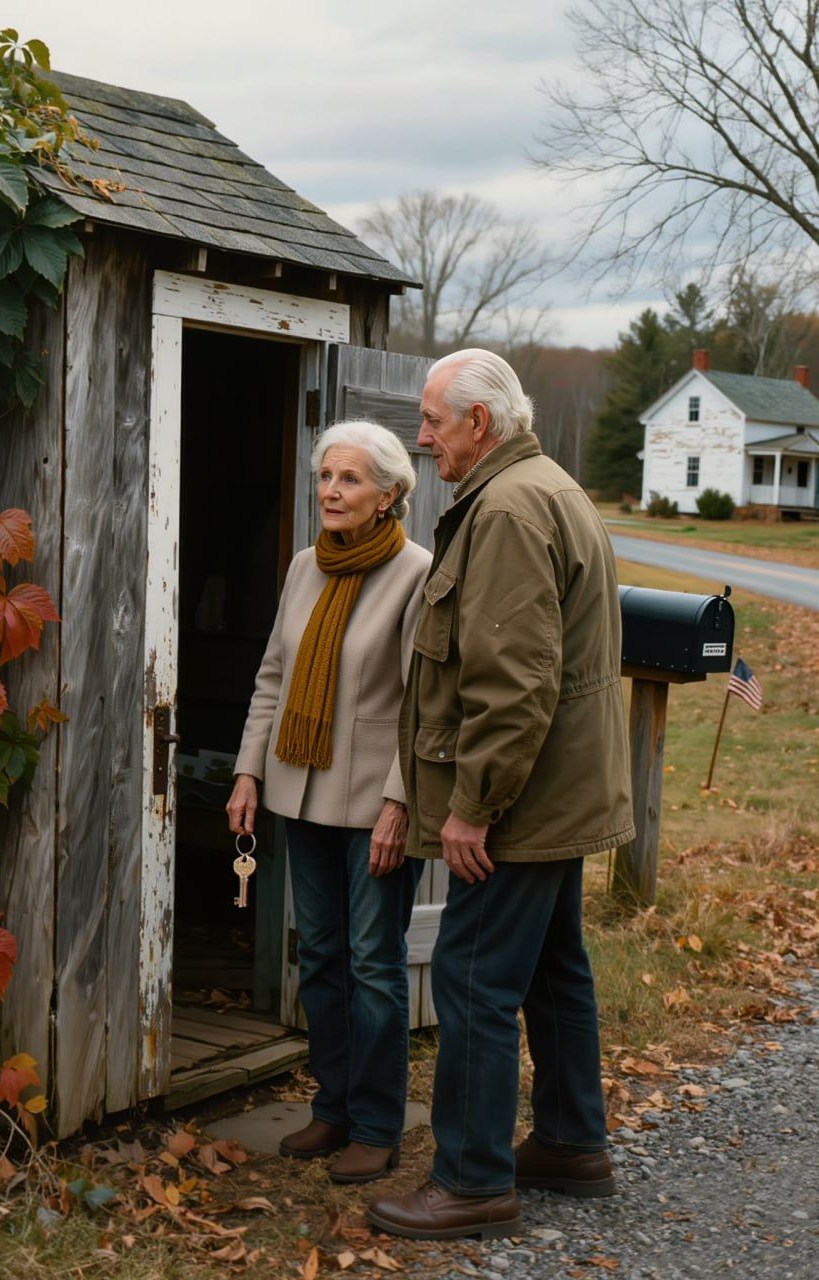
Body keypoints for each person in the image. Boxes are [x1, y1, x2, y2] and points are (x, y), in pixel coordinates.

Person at [366, 350, 634, 1241]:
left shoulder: (510, 510)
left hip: (522, 802)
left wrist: (474, 805)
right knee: (554, 969)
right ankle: (570, 1143)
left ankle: (473, 1182)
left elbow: (514, 683)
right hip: (556, 792)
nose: (422, 437)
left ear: (479, 424)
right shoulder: (543, 488)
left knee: (473, 976)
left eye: (433, 420)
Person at [226, 420, 431, 1185]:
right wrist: (248, 773)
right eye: (325, 477)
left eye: (349, 479)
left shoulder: (417, 574)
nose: (331, 491)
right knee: (319, 955)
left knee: (374, 965)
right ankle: (334, 1107)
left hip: (376, 805)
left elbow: (424, 704)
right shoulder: (304, 566)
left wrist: (400, 803)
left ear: (388, 495)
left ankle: (377, 1126)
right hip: (297, 788)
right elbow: (274, 676)